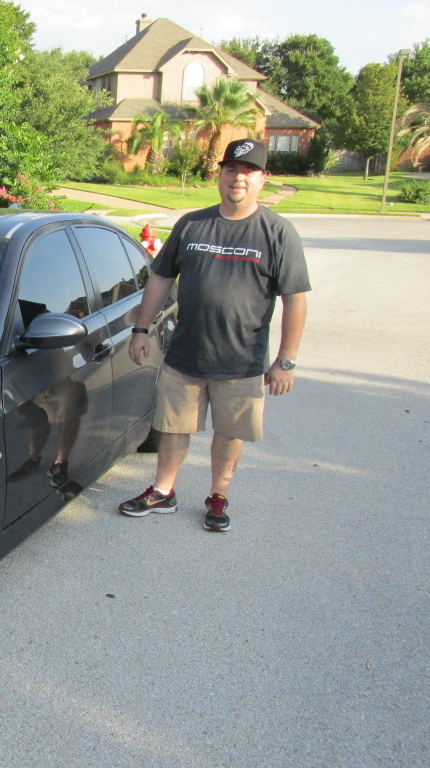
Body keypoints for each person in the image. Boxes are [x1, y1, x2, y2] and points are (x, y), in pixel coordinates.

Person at [119, 138, 311, 532]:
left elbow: (296, 300)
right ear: (220, 175)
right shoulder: (192, 223)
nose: (238, 178)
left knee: (230, 432)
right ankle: (163, 491)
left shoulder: (277, 232)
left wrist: (285, 360)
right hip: (186, 352)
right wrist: (141, 328)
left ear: (262, 179)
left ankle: (218, 497)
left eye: (248, 171)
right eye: (231, 170)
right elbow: (160, 278)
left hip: (242, 360)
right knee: (174, 426)